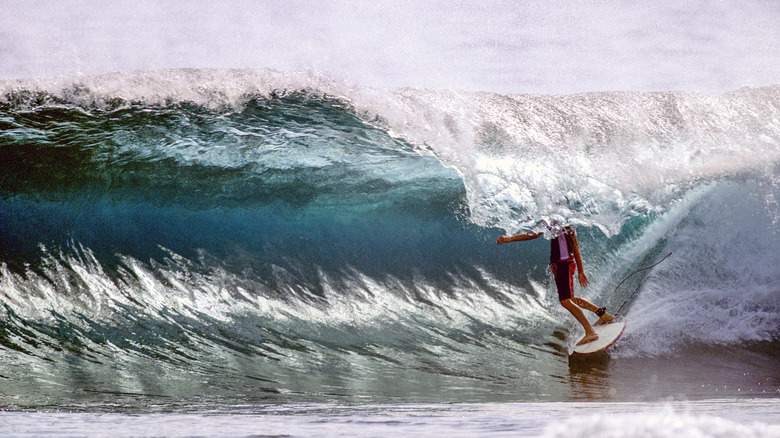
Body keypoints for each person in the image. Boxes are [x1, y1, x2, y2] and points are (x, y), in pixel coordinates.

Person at [497, 224, 613, 345]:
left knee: (565, 301)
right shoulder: (569, 221)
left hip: (564, 265)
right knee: (571, 298)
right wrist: (580, 270)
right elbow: (576, 247)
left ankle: (590, 332)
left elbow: (534, 235)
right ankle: (603, 315)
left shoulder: (556, 221)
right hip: (565, 264)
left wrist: (510, 239)